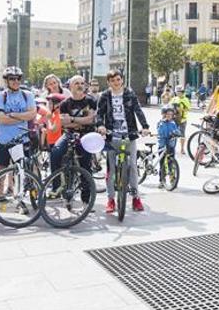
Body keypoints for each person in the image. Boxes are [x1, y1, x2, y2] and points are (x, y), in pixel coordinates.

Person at [96, 69, 151, 213]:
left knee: (132, 166)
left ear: (122, 80)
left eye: (118, 80)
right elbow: (99, 113)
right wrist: (100, 126)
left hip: (129, 135)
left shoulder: (129, 94)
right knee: (111, 169)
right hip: (111, 135)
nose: (116, 83)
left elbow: (138, 111)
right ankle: (111, 200)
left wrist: (145, 126)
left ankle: (136, 198)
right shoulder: (105, 96)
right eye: (112, 80)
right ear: (108, 82)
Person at [0, 66, 37, 170]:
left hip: (21, 141)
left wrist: (13, 115)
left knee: (25, 175)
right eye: (12, 78)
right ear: (6, 80)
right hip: (3, 142)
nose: (16, 81)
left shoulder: (28, 95)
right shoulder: (0, 97)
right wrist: (24, 116)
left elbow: (32, 114)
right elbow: (1, 119)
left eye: (18, 78)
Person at [50, 76, 96, 174]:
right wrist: (82, 121)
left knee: (85, 161)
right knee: (55, 153)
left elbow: (90, 120)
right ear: (70, 86)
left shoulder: (91, 100)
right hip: (69, 134)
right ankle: (56, 186)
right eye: (77, 83)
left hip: (86, 134)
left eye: (82, 83)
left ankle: (87, 188)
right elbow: (63, 123)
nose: (80, 86)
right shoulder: (64, 104)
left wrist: (71, 119)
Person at [156, 106, 182, 188]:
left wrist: (176, 133)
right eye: (167, 114)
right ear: (163, 114)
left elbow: (178, 131)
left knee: (171, 163)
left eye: (171, 114)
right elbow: (160, 131)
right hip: (162, 145)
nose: (169, 116)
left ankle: (173, 179)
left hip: (171, 145)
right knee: (162, 163)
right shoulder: (160, 123)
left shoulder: (174, 123)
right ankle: (161, 180)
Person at [170, 86, 191, 156]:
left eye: (179, 92)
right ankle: (172, 147)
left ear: (182, 92)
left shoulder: (185, 99)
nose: (178, 94)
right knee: (173, 134)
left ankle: (182, 149)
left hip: (182, 119)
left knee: (182, 134)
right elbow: (169, 107)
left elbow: (188, 109)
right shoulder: (174, 99)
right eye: (177, 92)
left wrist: (181, 109)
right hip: (174, 119)